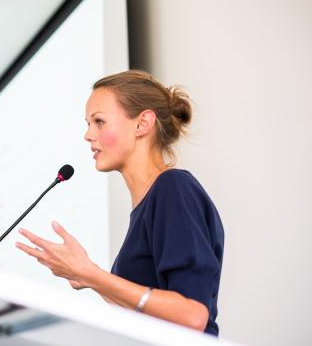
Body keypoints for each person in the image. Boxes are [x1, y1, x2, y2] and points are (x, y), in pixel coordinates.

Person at [15, 70, 224, 336]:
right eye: (88, 124)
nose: (88, 135)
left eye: (99, 122)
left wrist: (91, 274)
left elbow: (192, 316)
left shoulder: (173, 188)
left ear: (142, 124)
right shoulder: (148, 204)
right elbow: (145, 318)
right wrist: (87, 277)